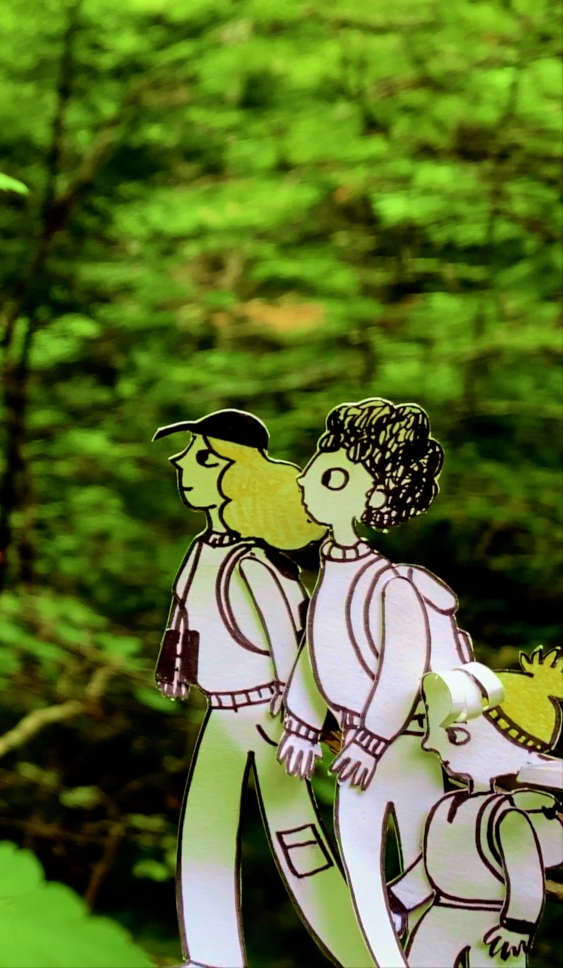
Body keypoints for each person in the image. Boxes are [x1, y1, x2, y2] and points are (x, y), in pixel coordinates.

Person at [152, 409, 372, 968]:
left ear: (240, 477)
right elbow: (186, 617)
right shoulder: (204, 551)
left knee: (298, 843)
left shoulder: (256, 564)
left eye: (203, 456)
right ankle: (208, 955)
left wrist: (313, 721)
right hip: (220, 717)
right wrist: (176, 667)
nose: (182, 463)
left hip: (269, 717)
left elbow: (299, 642)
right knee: (203, 836)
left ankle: (363, 953)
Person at [276, 398, 472, 968]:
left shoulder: (394, 587)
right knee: (363, 879)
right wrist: (301, 724)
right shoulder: (329, 577)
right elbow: (314, 659)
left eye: (333, 476)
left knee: (425, 869)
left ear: (376, 497)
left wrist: (369, 740)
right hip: (355, 753)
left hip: (405, 748)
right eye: (316, 467)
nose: (311, 481)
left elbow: (400, 675)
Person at [388, 652, 562, 967]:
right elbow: (431, 864)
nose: (430, 746)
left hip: (495, 926)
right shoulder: (445, 806)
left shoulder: (509, 817)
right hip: (441, 914)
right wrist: (397, 902)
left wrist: (518, 926)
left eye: (456, 736)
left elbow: (525, 877)